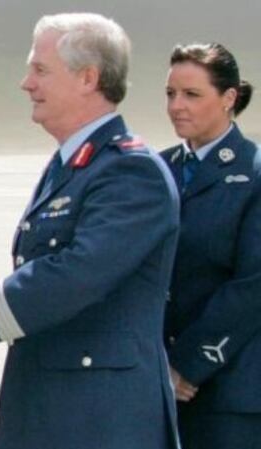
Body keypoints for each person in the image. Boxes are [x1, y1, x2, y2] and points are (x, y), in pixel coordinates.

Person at [0, 13, 181, 449]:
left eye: (40, 70)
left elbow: (77, 273)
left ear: (88, 78)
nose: (26, 83)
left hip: (100, 418)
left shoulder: (131, 171)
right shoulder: (72, 165)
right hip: (52, 405)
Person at [160, 42, 260, 449]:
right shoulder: (157, 170)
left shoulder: (253, 173)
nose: (176, 106)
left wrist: (187, 364)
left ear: (228, 98)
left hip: (228, 390)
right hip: (160, 384)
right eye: (171, 94)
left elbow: (252, 285)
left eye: (192, 94)